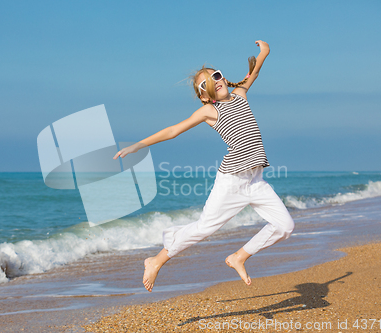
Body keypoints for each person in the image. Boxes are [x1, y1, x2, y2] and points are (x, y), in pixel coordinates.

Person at [113, 40, 294, 292]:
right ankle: (156, 260)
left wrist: (264, 53)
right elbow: (174, 130)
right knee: (205, 227)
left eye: (216, 75)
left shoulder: (240, 94)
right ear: (204, 95)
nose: (215, 81)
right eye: (206, 83)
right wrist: (137, 145)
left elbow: (253, 73)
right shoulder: (210, 111)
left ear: (223, 77)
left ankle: (239, 256)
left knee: (285, 226)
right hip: (231, 181)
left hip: (255, 180)